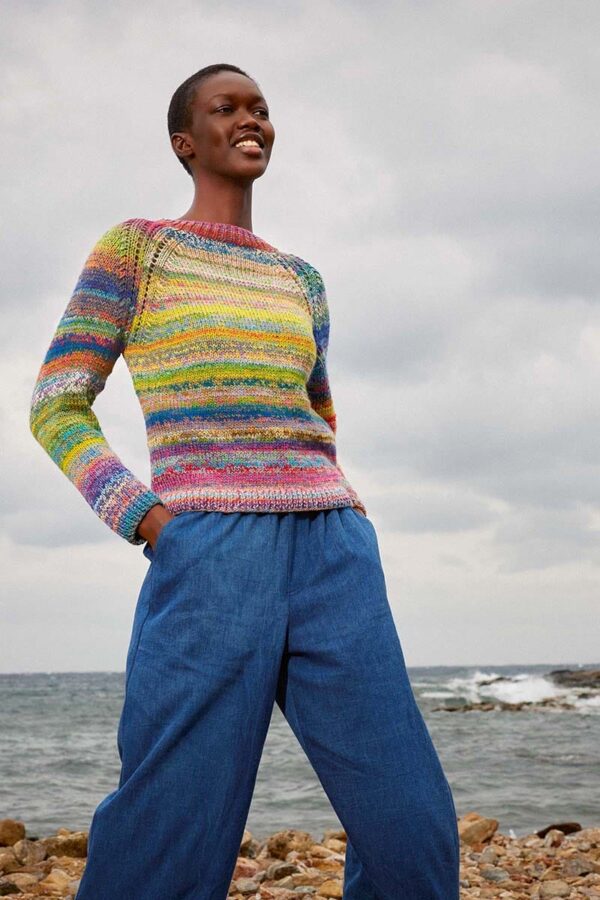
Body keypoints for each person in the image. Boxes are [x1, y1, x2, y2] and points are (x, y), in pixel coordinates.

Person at [29, 63, 461, 900]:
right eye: (226, 108)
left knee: (413, 827)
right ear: (185, 143)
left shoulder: (302, 279)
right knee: (169, 832)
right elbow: (57, 404)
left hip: (333, 552)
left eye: (260, 107)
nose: (250, 118)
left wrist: (341, 508)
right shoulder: (138, 250)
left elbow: (318, 412)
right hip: (209, 556)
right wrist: (148, 519)